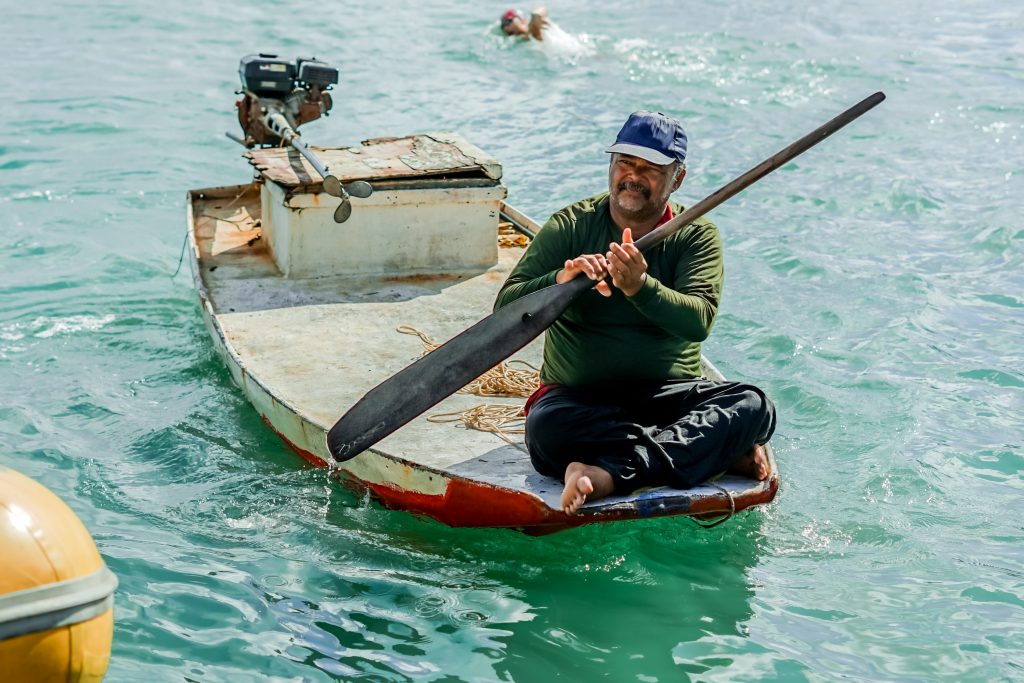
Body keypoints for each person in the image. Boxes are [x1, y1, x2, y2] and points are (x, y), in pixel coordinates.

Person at [494, 111, 777, 515]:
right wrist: (561, 279)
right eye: (625, 163)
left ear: (676, 179)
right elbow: (505, 310)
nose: (633, 176)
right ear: (610, 165)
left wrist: (639, 288)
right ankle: (698, 452)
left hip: (669, 394)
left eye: (650, 169)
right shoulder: (570, 226)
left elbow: (698, 321)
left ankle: (606, 474)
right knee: (546, 430)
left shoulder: (695, 235)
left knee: (753, 405)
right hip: (579, 401)